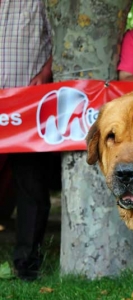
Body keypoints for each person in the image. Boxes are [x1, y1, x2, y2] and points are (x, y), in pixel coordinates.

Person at [0, 0, 55, 281]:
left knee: (30, 184)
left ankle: (26, 264)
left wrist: (46, 73)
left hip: (27, 105)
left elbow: (60, 40)